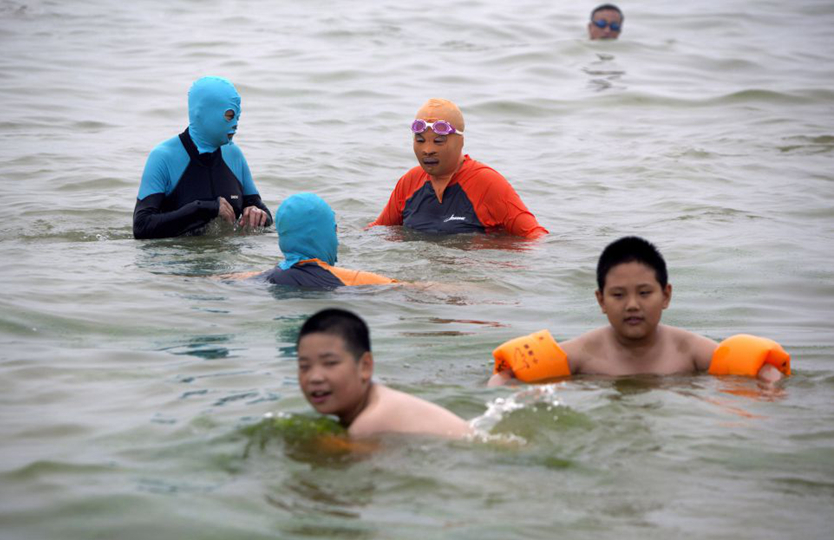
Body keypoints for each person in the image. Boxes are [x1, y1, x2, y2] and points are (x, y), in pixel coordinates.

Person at [489, 236, 790, 386]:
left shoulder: (690, 351)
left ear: (666, 295)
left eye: (644, 293)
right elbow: (505, 378)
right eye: (618, 295)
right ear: (601, 301)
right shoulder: (582, 354)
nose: (632, 304)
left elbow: (760, 369)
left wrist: (769, 389)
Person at [368, 99, 548, 239]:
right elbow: (378, 232)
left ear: (460, 142)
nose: (428, 150)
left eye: (439, 141)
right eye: (420, 140)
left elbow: (535, 237)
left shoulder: (487, 183)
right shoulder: (410, 181)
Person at [297, 308, 473, 438]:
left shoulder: (370, 424)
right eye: (304, 366)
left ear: (365, 366)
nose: (315, 377)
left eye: (330, 363)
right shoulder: (376, 401)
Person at [133, 76, 272, 239]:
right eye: (229, 116)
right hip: (177, 260)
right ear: (203, 114)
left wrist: (257, 213)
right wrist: (204, 209)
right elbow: (141, 228)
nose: (235, 124)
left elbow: (264, 214)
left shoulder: (234, 155)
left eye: (237, 117)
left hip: (228, 262)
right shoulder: (164, 157)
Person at [223, 193, 398, 289]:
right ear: (328, 233)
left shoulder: (264, 278)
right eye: (333, 229)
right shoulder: (358, 280)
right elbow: (416, 290)